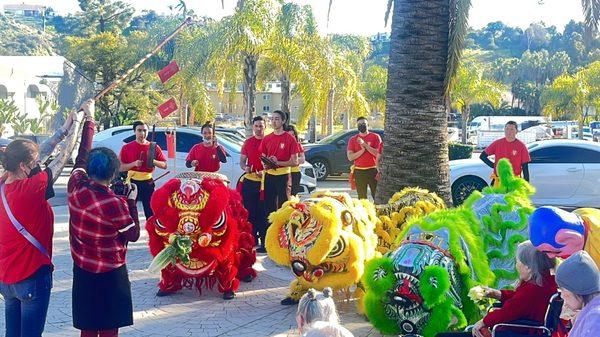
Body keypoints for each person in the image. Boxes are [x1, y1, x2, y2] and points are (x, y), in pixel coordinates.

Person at [0, 102, 81, 337]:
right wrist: (76, 125)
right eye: (33, 164)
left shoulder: (5, 183)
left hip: (7, 279)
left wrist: (62, 129)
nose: (38, 167)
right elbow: (63, 157)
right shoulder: (31, 190)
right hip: (31, 277)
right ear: (24, 166)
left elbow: (41, 153)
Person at [68, 101, 140, 337]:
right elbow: (133, 234)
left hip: (83, 269)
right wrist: (131, 201)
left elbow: (81, 157)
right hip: (111, 272)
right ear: (113, 174)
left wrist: (90, 120)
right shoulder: (116, 204)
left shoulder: (76, 188)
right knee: (110, 328)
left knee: (88, 327)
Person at [436, 241, 557, 337]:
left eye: (517, 262)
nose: (516, 266)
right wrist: (495, 294)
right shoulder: (544, 284)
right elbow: (520, 300)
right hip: (524, 330)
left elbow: (510, 310)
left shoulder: (532, 289)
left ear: (528, 267)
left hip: (515, 332)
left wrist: (482, 322)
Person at [119, 120, 167, 219]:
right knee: (129, 210)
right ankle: (131, 232)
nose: (142, 133)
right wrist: (134, 164)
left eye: (145, 130)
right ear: (134, 131)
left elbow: (164, 165)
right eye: (139, 130)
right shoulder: (127, 148)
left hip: (148, 183)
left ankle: (152, 232)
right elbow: (120, 167)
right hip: (132, 183)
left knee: (150, 212)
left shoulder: (154, 147)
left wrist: (153, 161)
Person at [259, 110, 299, 218]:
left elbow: (295, 161)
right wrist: (266, 164)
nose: (274, 121)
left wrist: (278, 162)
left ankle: (284, 230)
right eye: (272, 119)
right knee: (269, 206)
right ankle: (269, 230)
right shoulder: (267, 138)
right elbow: (262, 157)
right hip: (269, 175)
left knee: (284, 205)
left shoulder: (290, 139)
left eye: (277, 119)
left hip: (283, 176)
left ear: (283, 121)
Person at [240, 116, 269, 252]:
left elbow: (274, 162)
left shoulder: (269, 141)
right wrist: (246, 168)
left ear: (265, 127)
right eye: (256, 126)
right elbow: (242, 162)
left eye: (261, 126)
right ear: (253, 127)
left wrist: (264, 172)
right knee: (249, 213)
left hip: (266, 183)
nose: (258, 129)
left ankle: (265, 241)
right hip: (250, 182)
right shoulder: (248, 142)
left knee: (263, 213)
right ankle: (251, 240)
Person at [555, 250, 600, 337]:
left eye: (562, 289)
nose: (562, 295)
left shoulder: (595, 319)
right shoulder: (591, 312)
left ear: (575, 288)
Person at [480, 121, 531, 186]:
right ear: (504, 130)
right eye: (507, 129)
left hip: (514, 181)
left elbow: (525, 168)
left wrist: (526, 185)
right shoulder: (497, 143)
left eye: (512, 129)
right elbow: (482, 156)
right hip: (498, 180)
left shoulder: (521, 146)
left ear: (516, 131)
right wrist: (495, 166)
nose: (509, 131)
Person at [347, 117, 382, 200]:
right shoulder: (353, 139)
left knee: (376, 196)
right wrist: (362, 151)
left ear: (368, 125)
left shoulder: (375, 137)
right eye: (359, 124)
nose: (362, 126)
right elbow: (350, 157)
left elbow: (378, 154)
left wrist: (365, 145)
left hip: (373, 170)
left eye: (364, 124)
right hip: (359, 171)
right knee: (362, 198)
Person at [286, 124, 305, 197]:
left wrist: (291, 161)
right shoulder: (282, 145)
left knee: (293, 195)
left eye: (293, 135)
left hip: (295, 173)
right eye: (289, 135)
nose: (291, 137)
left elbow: (302, 159)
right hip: (284, 173)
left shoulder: (298, 145)